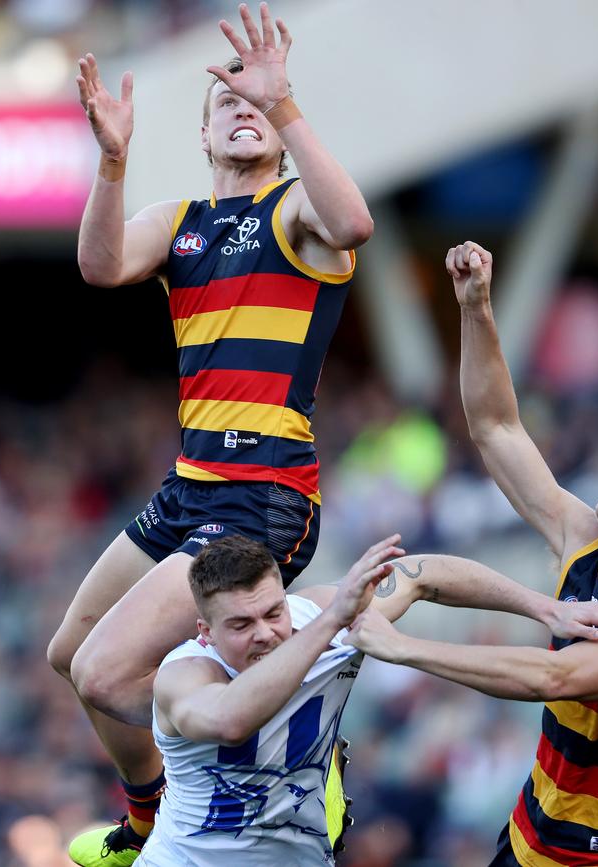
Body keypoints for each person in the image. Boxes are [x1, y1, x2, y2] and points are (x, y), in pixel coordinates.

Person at [46, 3, 374, 865]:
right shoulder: (180, 219)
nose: (244, 111)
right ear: (201, 134)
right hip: (188, 483)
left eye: (258, 108)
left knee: (105, 675)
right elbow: (100, 265)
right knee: (68, 654)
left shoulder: (297, 211)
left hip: (265, 493)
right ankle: (150, 814)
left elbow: (355, 226)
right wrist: (112, 161)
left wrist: (288, 104)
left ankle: (298, 746)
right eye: (228, 104)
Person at [343, 241, 598, 867]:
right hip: (528, 839)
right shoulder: (586, 539)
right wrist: (476, 311)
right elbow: (496, 429)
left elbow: (556, 678)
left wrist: (403, 649)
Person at [134, 531, 598, 867]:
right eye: (240, 625)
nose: (265, 635)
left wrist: (547, 609)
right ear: (206, 632)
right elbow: (230, 719)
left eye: (272, 612)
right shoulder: (186, 674)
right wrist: (333, 621)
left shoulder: (318, 617)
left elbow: (427, 574)